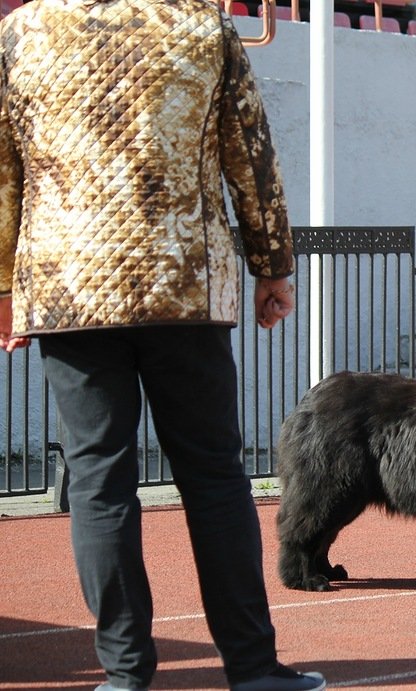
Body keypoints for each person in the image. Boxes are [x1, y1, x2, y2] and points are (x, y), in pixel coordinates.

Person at [0, 1, 325, 689]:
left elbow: (2, 166)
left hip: (67, 287)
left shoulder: (21, 30)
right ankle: (253, 667)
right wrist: (273, 265)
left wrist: (3, 285)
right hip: (183, 280)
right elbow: (250, 150)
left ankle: (124, 674)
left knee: (97, 478)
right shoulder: (200, 23)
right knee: (213, 476)